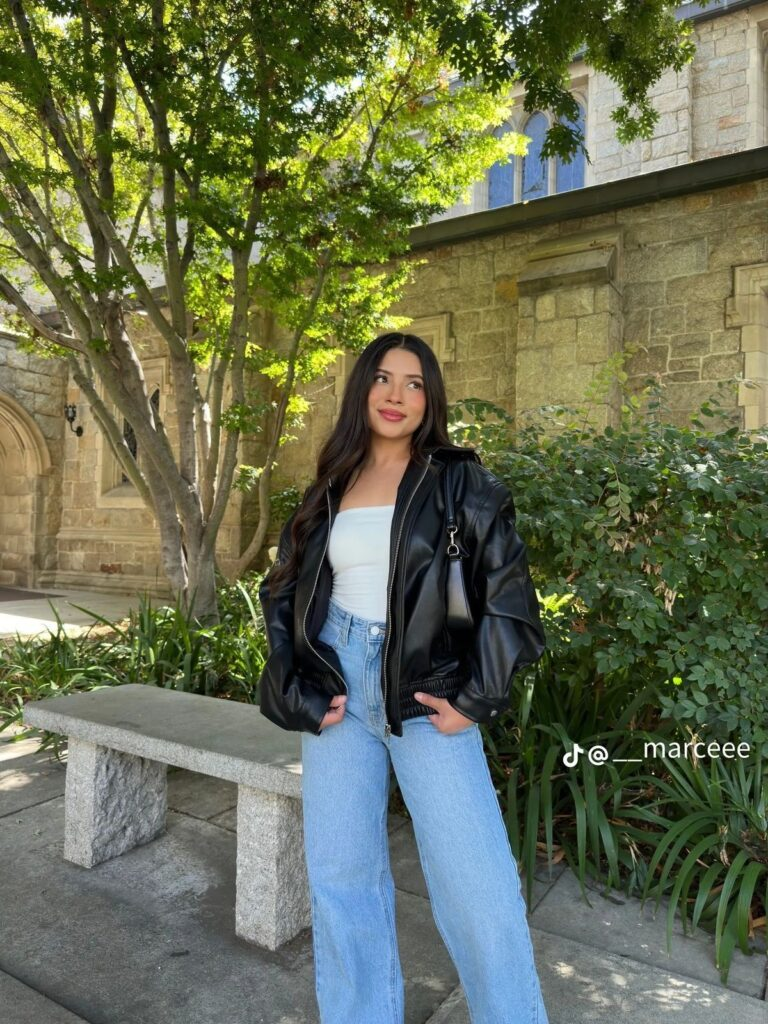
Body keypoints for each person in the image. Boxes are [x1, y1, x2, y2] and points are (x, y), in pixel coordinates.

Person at [258, 331, 549, 1024]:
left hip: (426, 694)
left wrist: (476, 699)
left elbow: (511, 599)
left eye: (414, 383)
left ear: (430, 398)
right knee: (342, 881)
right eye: (383, 378)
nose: (396, 395)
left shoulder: (459, 480)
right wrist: (295, 688)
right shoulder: (330, 484)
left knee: (478, 890)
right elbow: (283, 595)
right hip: (337, 692)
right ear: (362, 389)